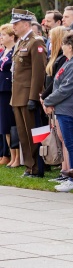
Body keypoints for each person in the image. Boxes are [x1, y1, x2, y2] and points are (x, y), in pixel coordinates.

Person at [42, 33, 73, 173]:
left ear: (70, 46)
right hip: (63, 107)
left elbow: (65, 89)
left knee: (72, 144)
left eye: (64, 44)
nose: (61, 46)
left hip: (70, 108)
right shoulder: (69, 61)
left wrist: (47, 101)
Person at [10, 9, 46, 178]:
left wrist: (34, 97)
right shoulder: (22, 43)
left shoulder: (35, 42)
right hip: (17, 95)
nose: (14, 27)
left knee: (34, 133)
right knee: (23, 134)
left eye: (16, 24)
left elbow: (38, 73)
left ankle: (37, 168)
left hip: (28, 95)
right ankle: (30, 167)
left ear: (26, 24)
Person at [0, 24, 17, 166]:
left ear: (12, 37)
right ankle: (9, 155)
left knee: (10, 123)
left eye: (4, 35)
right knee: (4, 125)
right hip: (2, 88)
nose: (1, 38)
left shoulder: (14, 51)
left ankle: (14, 156)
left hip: (9, 90)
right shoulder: (4, 52)